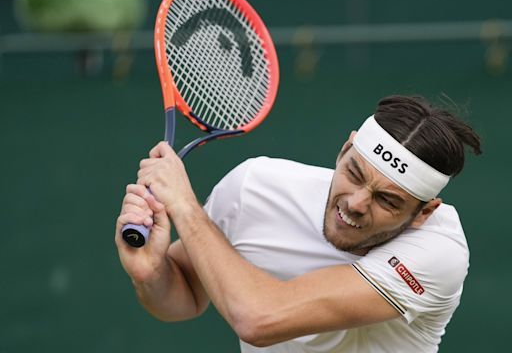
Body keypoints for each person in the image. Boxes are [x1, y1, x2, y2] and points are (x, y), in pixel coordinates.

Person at [115, 95, 481, 352]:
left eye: (387, 200)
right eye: (354, 173)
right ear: (344, 150)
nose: (355, 204)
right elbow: (185, 297)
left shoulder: (439, 250)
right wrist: (150, 273)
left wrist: (186, 209)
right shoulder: (254, 186)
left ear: (423, 212)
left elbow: (259, 318)